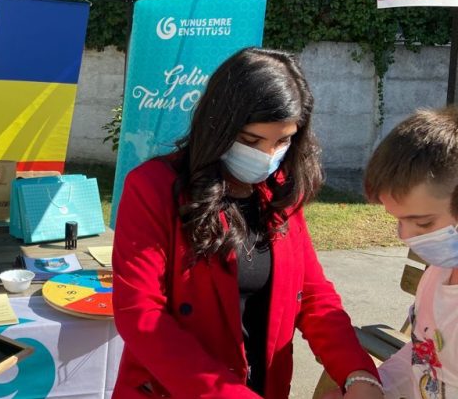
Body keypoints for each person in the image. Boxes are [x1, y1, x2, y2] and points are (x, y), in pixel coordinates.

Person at [112, 48, 381, 398]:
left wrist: (358, 372)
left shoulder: (281, 190)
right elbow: (141, 314)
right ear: (219, 125)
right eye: (251, 141)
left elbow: (313, 294)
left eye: (282, 141)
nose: (267, 156)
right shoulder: (154, 187)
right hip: (180, 389)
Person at [364, 106, 458, 398]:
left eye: (423, 223)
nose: (405, 236)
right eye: (399, 221)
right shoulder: (437, 275)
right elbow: (423, 355)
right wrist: (378, 387)